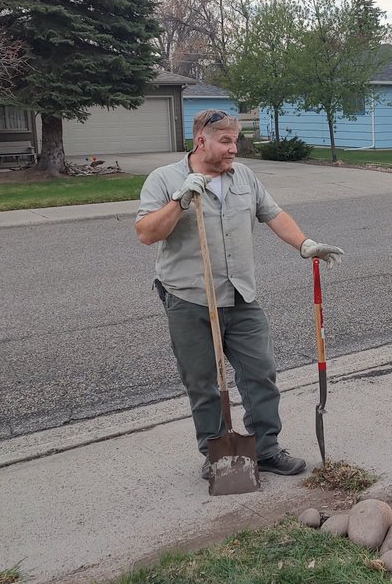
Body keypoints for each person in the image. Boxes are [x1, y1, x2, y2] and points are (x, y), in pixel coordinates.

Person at [136, 109, 344, 480]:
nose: (234, 148)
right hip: (190, 299)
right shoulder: (164, 179)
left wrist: (305, 244)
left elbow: (273, 214)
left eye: (236, 140)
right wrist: (180, 201)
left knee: (260, 373)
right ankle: (216, 454)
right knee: (203, 384)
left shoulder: (244, 176)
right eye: (226, 141)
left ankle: (265, 450)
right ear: (201, 140)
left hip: (241, 296)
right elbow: (147, 233)